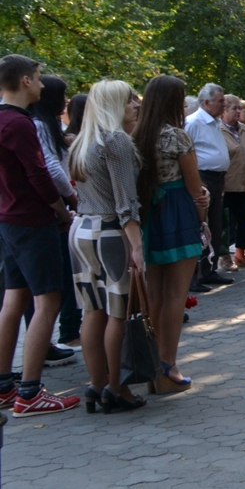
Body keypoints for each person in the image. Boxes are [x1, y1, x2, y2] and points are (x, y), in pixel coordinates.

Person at [0, 54, 79, 416]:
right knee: (48, 301)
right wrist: (61, 210)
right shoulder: (20, 123)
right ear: (25, 81)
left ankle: (5, 386)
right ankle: (30, 392)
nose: (43, 84)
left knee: (14, 299)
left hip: (9, 220)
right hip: (32, 222)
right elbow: (39, 174)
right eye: (39, 77)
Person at [67, 80, 147, 413]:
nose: (136, 104)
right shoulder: (116, 141)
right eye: (129, 100)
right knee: (118, 310)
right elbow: (125, 202)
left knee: (92, 310)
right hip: (111, 232)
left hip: (82, 229)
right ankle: (117, 387)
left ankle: (96, 383)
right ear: (114, 105)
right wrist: (137, 248)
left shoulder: (82, 141)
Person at [133, 74, 210, 394]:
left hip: (149, 214)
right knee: (176, 296)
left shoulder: (136, 135)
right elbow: (195, 188)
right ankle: (168, 365)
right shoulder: (176, 136)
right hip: (178, 213)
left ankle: (153, 366)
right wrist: (203, 217)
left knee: (154, 295)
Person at [33, 75, 80, 354]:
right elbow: (50, 167)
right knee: (52, 282)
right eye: (62, 95)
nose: (65, 101)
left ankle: (48, 342)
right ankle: (56, 339)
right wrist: (71, 199)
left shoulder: (49, 125)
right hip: (54, 204)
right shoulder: (40, 125)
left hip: (57, 203)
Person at [184, 83, 232, 288]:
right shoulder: (193, 122)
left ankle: (209, 270)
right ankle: (195, 275)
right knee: (201, 225)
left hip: (218, 178)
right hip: (202, 178)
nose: (224, 105)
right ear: (206, 102)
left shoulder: (215, 122)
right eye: (220, 101)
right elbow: (186, 152)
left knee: (215, 224)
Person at [219, 95, 245, 271]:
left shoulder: (244, 128)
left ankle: (241, 254)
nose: (238, 111)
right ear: (224, 110)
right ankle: (224, 257)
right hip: (226, 185)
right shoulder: (218, 129)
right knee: (225, 224)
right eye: (234, 108)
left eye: (239, 108)